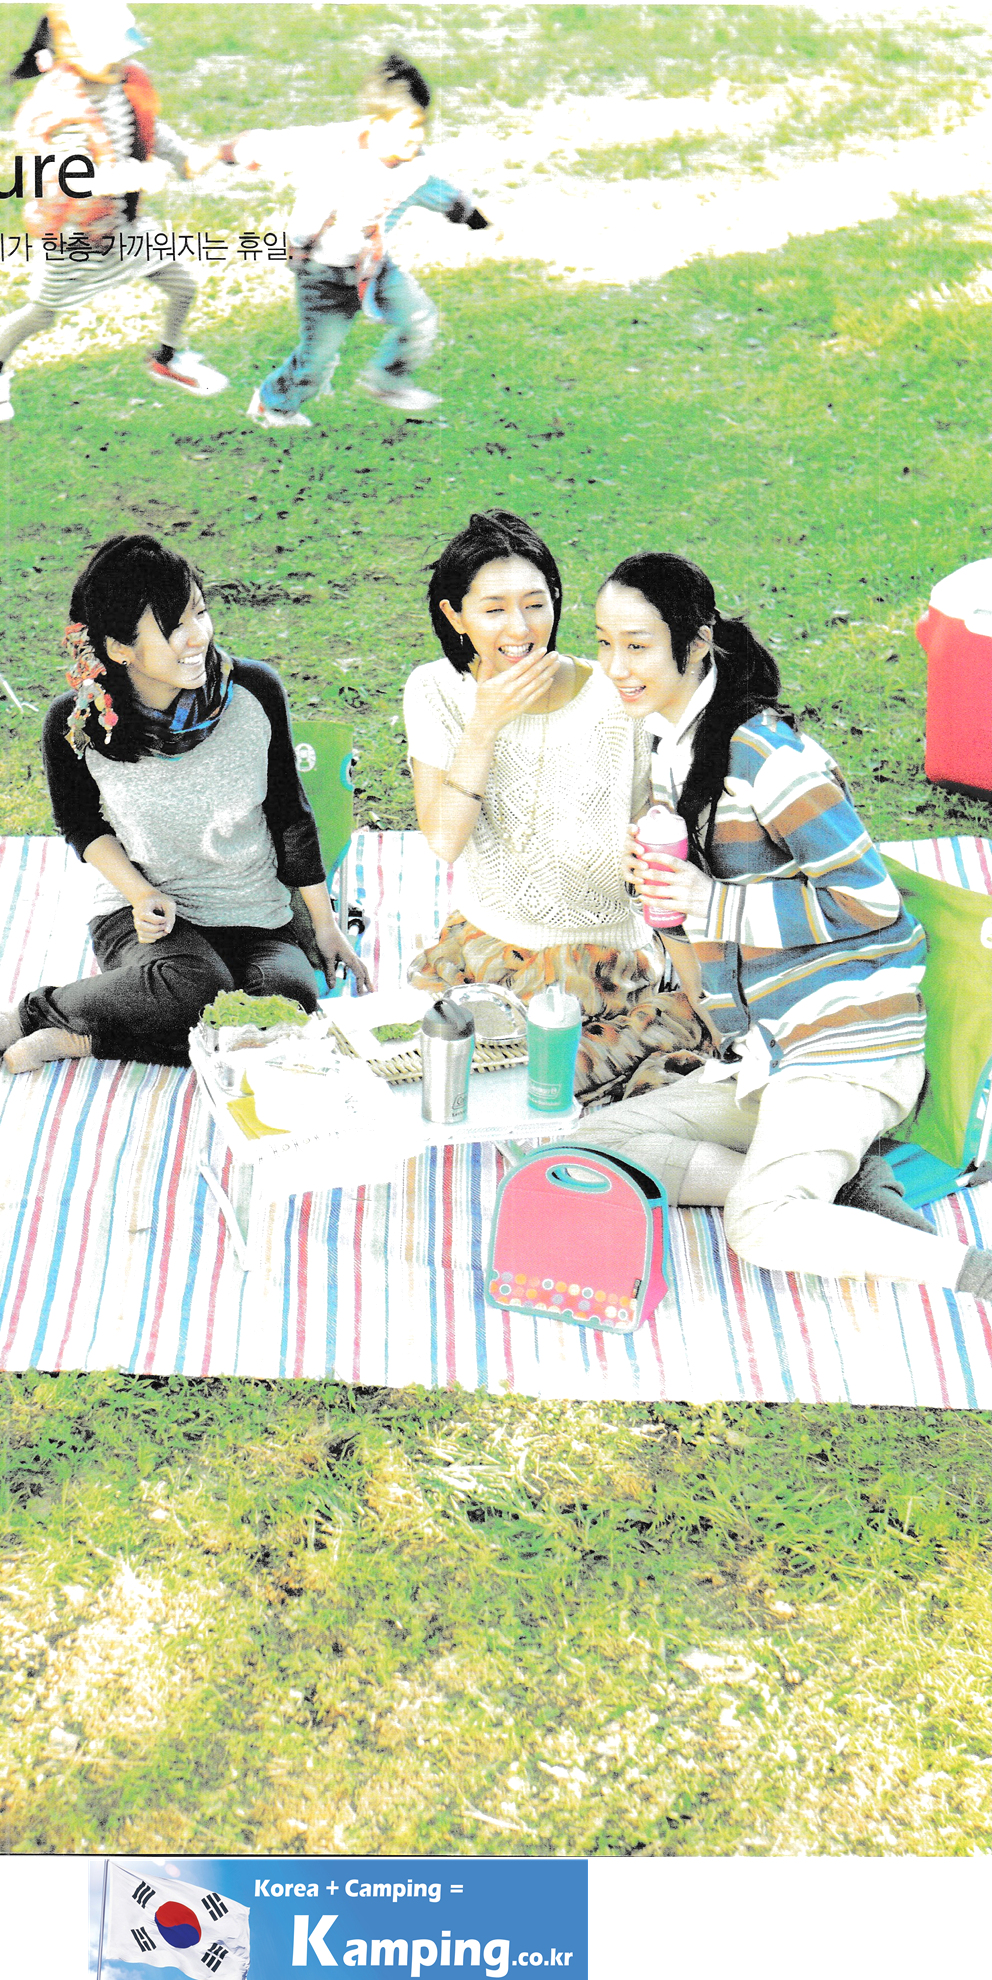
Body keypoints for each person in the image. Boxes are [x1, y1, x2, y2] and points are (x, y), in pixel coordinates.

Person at [577, 550, 992, 1300]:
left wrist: (708, 901)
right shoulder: (669, 753)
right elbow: (700, 936)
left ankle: (966, 1269)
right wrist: (662, 902)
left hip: (849, 1042)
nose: (616, 667)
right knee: (597, 1142)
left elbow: (870, 899)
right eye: (604, 642)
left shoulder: (769, 758)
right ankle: (843, 1186)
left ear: (697, 642)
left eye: (637, 646)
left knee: (758, 1227)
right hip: (774, 1050)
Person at [0, 533, 372, 1074]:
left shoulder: (254, 692)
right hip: (146, 917)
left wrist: (324, 924)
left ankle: (85, 1039)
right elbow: (80, 823)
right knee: (193, 987)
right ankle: (35, 1013)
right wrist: (140, 894)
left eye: (200, 612)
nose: (198, 635)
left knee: (285, 1013)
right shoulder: (78, 722)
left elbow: (288, 813)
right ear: (119, 648)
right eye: (174, 626)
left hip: (255, 911)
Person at [402, 511, 711, 1108]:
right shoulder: (435, 689)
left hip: (606, 963)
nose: (520, 628)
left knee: (550, 1086)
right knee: (455, 1077)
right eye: (493, 609)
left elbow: (665, 842)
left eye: (535, 604)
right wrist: (483, 726)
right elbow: (443, 840)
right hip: (489, 953)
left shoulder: (620, 693)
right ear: (455, 616)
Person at [0, 3, 233, 425]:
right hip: (72, 233)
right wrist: (136, 176)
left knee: (182, 285)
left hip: (120, 224)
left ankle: (167, 358)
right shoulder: (60, 109)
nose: (123, 61)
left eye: (125, 51)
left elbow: (147, 127)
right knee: (43, 312)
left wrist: (191, 157)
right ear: (76, 52)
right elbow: (76, 178)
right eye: (112, 53)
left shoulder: (123, 82)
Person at [247, 53, 490, 430]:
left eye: (422, 126)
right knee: (317, 357)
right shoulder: (343, 164)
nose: (417, 137)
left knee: (419, 318)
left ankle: (388, 380)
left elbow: (438, 191)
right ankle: (273, 405)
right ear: (376, 125)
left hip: (374, 268)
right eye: (408, 128)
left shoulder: (414, 164)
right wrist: (300, 245)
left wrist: (475, 218)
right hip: (323, 274)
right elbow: (306, 213)